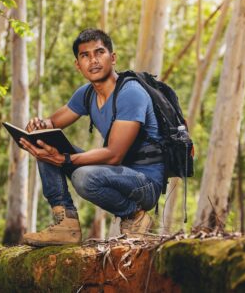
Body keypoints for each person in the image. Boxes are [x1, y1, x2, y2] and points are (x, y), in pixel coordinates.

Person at [19, 29, 164, 246]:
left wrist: (66, 160)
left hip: (144, 183)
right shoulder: (86, 94)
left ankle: (134, 216)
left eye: (99, 52)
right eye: (85, 55)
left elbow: (114, 155)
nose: (93, 60)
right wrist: (37, 125)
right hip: (117, 173)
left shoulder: (130, 93)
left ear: (112, 58)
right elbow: (51, 123)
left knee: (83, 177)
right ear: (78, 64)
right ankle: (65, 223)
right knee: (43, 140)